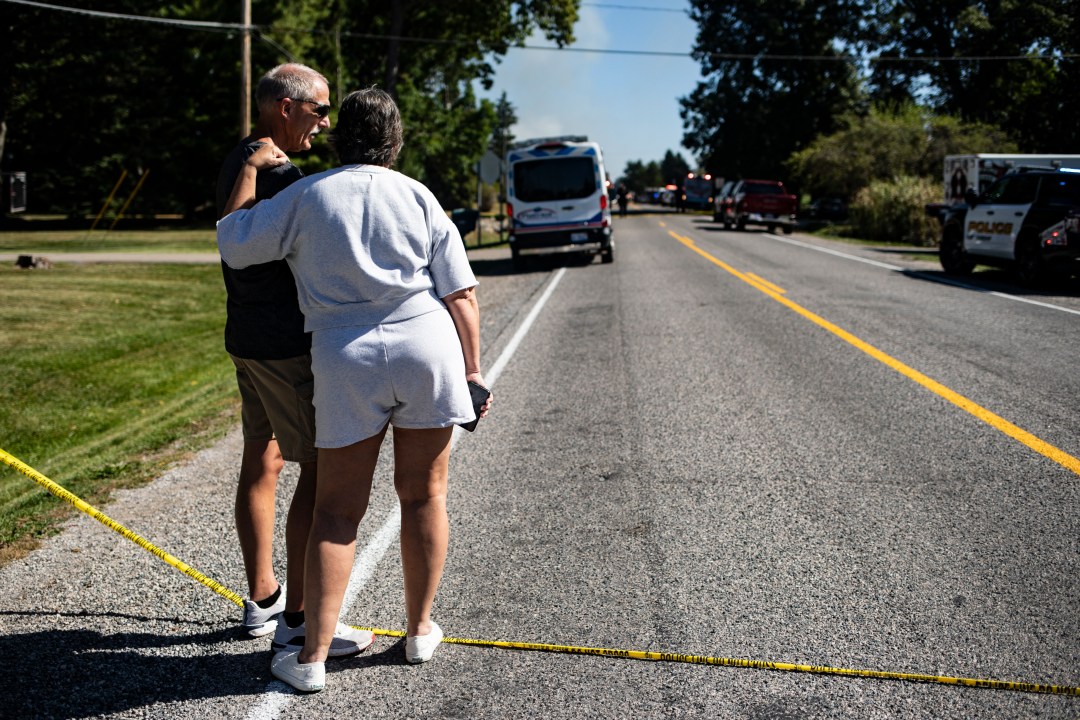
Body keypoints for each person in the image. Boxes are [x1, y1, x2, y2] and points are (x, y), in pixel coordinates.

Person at [217, 86, 492, 693]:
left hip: (345, 353)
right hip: (426, 344)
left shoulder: (306, 195)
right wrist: (473, 372)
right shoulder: (419, 195)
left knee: (338, 510)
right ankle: (420, 631)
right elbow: (461, 294)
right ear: (395, 142)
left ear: (339, 136)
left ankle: (311, 658)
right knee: (424, 495)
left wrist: (246, 171)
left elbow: (235, 245)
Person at [215, 63, 372, 658]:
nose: (326, 121)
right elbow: (243, 248)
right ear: (285, 106)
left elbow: (229, 232)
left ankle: (262, 599)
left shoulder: (244, 159)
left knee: (265, 457)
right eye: (319, 109)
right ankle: (303, 620)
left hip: (246, 341)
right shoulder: (282, 174)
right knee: (321, 471)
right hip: (283, 347)